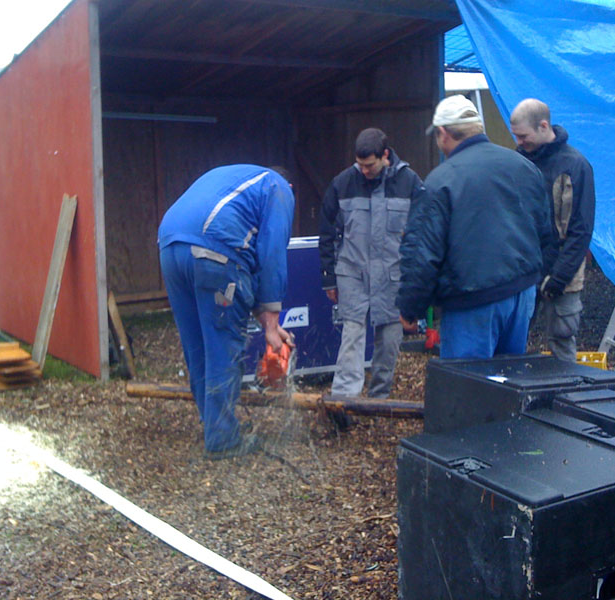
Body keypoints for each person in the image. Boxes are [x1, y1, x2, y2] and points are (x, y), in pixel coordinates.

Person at [396, 95, 553, 359]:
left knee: (468, 381)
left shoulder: (441, 181)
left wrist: (411, 307)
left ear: (443, 133)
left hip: (473, 301)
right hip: (521, 294)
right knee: (511, 377)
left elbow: (422, 252)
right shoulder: (524, 167)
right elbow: (545, 233)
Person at [157, 165, 295, 459]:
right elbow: (271, 256)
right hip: (213, 250)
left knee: (197, 344)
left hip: (170, 246)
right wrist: (272, 323)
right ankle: (222, 440)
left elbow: (245, 265)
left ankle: (213, 424)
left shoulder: (239, 182)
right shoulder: (278, 187)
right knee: (223, 345)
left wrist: (267, 322)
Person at [319, 128, 425, 398]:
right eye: (360, 165)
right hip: (352, 272)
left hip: (393, 276)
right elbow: (327, 231)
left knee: (389, 342)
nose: (364, 170)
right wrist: (329, 277)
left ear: (385, 155)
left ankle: (379, 399)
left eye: (369, 165)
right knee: (352, 337)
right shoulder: (343, 182)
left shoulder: (410, 183)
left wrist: (416, 282)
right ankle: (343, 401)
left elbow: (423, 233)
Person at [510, 98, 596, 362]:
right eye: (516, 136)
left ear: (543, 126)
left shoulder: (576, 166)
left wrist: (559, 277)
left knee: (561, 338)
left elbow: (581, 229)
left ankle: (566, 386)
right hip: (523, 269)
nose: (519, 142)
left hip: (563, 273)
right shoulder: (517, 162)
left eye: (523, 136)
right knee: (512, 338)